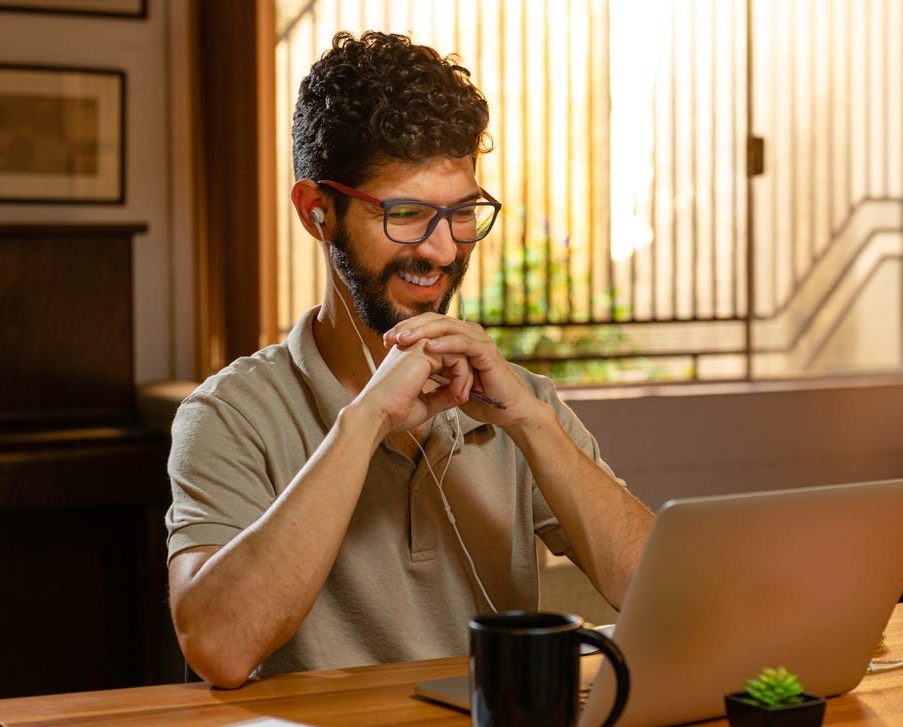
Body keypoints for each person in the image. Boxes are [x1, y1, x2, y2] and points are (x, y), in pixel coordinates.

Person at [165, 30, 655, 689]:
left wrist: (534, 425)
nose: (446, 250)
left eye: (462, 213)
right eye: (406, 213)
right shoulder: (228, 415)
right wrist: (364, 421)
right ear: (318, 212)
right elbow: (217, 646)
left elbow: (656, 592)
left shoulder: (517, 401)